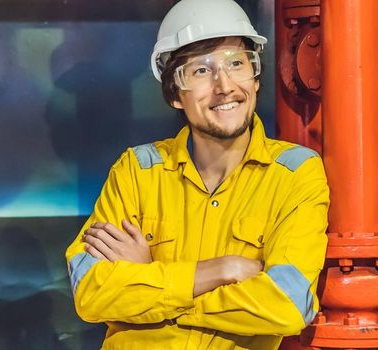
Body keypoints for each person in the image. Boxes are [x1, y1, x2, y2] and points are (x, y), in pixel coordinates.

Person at [64, 0, 329, 348]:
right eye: (201, 71)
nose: (225, 86)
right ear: (175, 93)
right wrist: (221, 270)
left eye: (237, 64)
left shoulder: (295, 174)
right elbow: (89, 292)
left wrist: (152, 284)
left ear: (256, 78)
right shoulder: (138, 171)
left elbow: (288, 304)